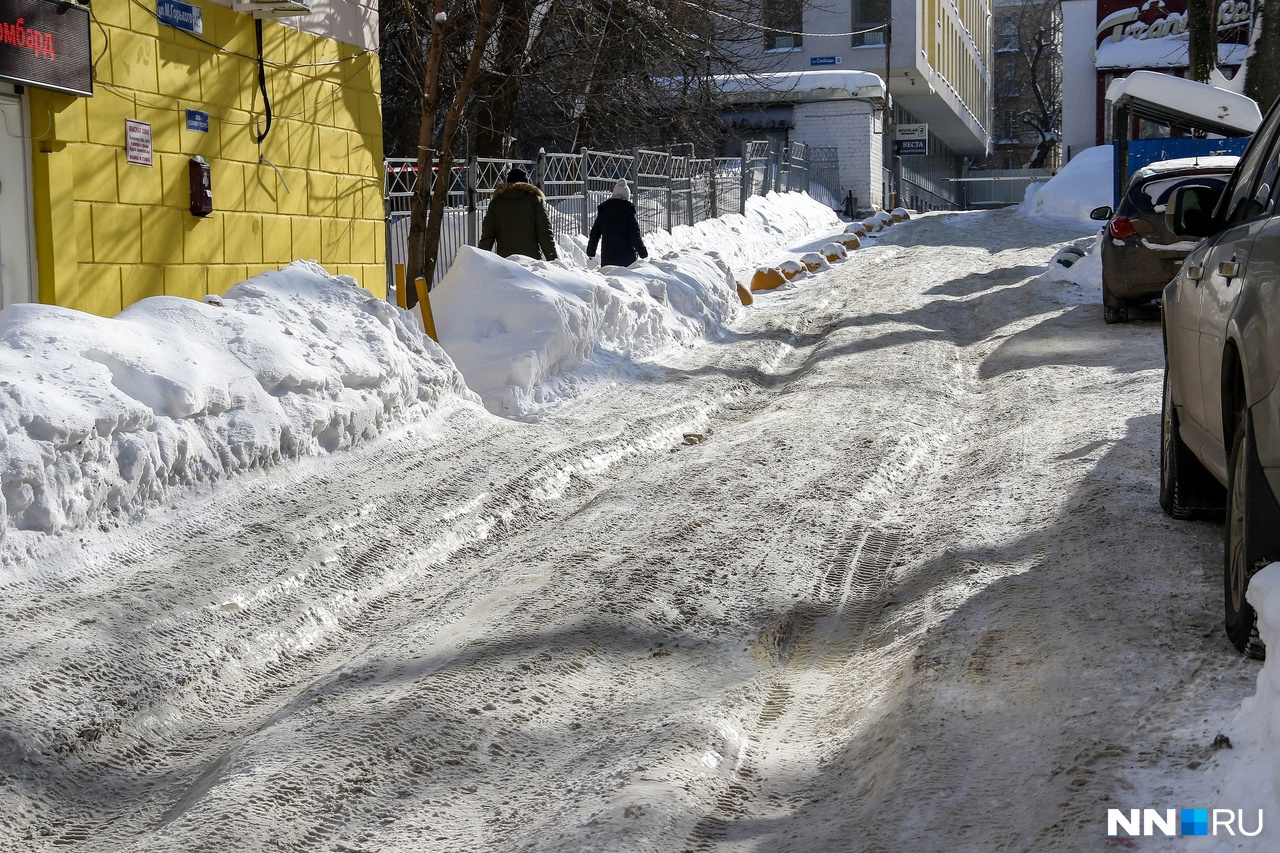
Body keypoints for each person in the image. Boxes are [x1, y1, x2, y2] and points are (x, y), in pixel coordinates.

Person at [479, 167, 558, 261]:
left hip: (506, 260)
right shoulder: (534, 200)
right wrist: (553, 259)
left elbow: (488, 236)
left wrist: (480, 261)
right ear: (526, 183)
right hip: (531, 260)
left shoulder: (496, 203)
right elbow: (544, 233)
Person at [587, 179, 648, 268]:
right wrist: (642, 251)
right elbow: (634, 234)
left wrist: (591, 252)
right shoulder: (629, 212)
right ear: (626, 196)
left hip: (607, 258)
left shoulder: (604, 211)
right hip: (628, 259)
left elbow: (594, 234)